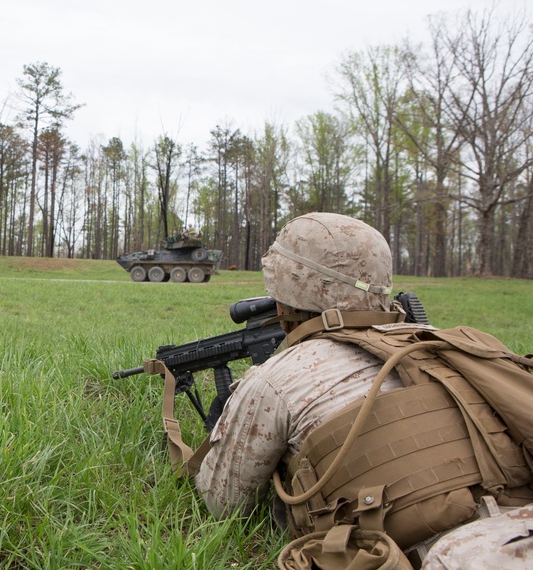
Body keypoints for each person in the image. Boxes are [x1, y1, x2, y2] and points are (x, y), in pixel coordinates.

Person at [195, 212, 533, 569]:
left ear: (283, 297)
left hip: (466, 553)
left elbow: (222, 503)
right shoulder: (443, 343)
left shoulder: (277, 379)